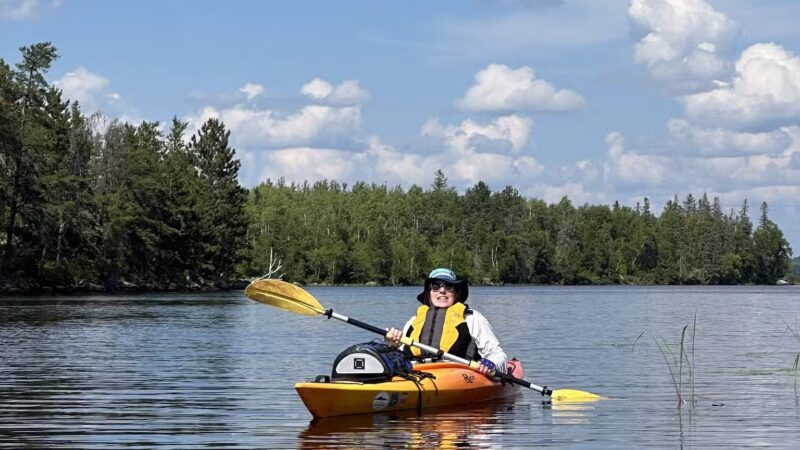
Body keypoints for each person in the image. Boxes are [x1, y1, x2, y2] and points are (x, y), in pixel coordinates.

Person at [386, 268, 507, 376]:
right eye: (435, 286)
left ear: (456, 293)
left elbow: (498, 355)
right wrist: (392, 343)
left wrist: (491, 363)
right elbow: (398, 355)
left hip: (458, 374)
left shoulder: (472, 318)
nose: (442, 290)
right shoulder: (414, 321)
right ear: (429, 294)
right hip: (417, 371)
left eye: (449, 286)